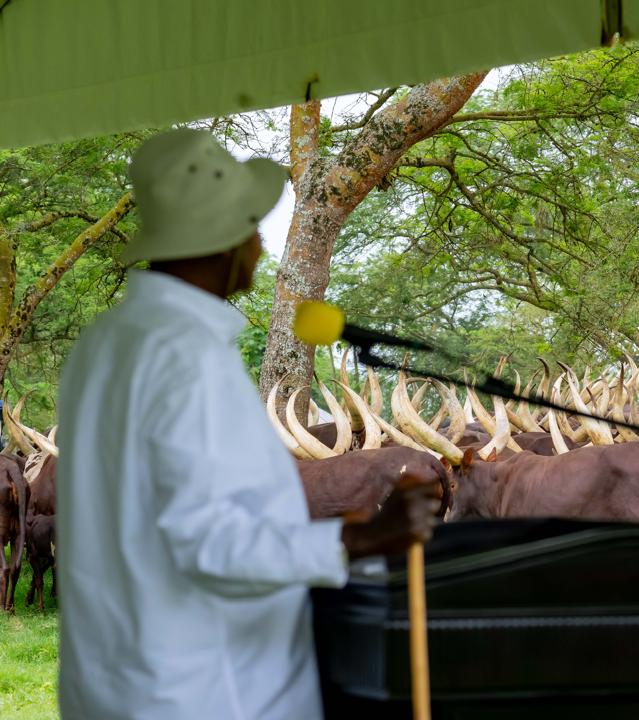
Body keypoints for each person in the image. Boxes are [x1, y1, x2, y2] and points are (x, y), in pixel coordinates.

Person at [56, 128, 441, 719]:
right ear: (228, 240)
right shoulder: (185, 354)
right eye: (254, 228)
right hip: (210, 692)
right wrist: (358, 539)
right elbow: (210, 542)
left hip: (115, 686)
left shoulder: (102, 342)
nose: (260, 246)